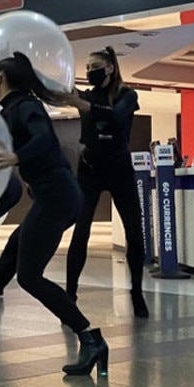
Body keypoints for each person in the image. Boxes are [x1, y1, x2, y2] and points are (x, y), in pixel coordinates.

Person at [0, 52, 107, 378]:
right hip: (52, 197)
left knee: (28, 276)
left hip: (58, 197)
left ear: (0, 78)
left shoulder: (25, 107)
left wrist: (16, 157)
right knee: (12, 254)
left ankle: (90, 337)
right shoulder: (10, 111)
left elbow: (43, 140)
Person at [59, 46, 149, 317]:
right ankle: (70, 294)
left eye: (94, 66)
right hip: (90, 169)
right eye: (86, 69)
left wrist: (83, 106)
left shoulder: (128, 95)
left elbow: (116, 117)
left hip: (120, 169)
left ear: (109, 67)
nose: (89, 72)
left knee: (135, 231)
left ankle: (137, 292)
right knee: (81, 231)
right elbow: (58, 93)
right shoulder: (87, 95)